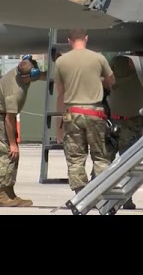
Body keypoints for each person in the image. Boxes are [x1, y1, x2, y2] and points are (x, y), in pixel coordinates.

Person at [54, 28, 115, 194]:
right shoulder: (98, 58)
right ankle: (101, 192)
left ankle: (80, 195)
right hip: (95, 112)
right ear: (86, 38)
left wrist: (58, 126)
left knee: (75, 158)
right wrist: (98, 80)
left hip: (72, 112)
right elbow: (111, 81)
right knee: (101, 156)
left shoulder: (61, 62)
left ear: (69, 41)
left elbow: (61, 93)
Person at [0, 55, 48, 207]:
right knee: (7, 152)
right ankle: (2, 196)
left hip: (4, 114)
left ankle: (10, 193)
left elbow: (42, 75)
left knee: (14, 155)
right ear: (29, 76)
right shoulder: (14, 92)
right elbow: (9, 119)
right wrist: (13, 143)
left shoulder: (22, 72)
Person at [105, 55, 143, 209]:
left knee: (104, 161)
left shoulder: (111, 80)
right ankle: (126, 198)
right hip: (132, 123)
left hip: (113, 121)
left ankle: (99, 196)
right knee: (128, 163)